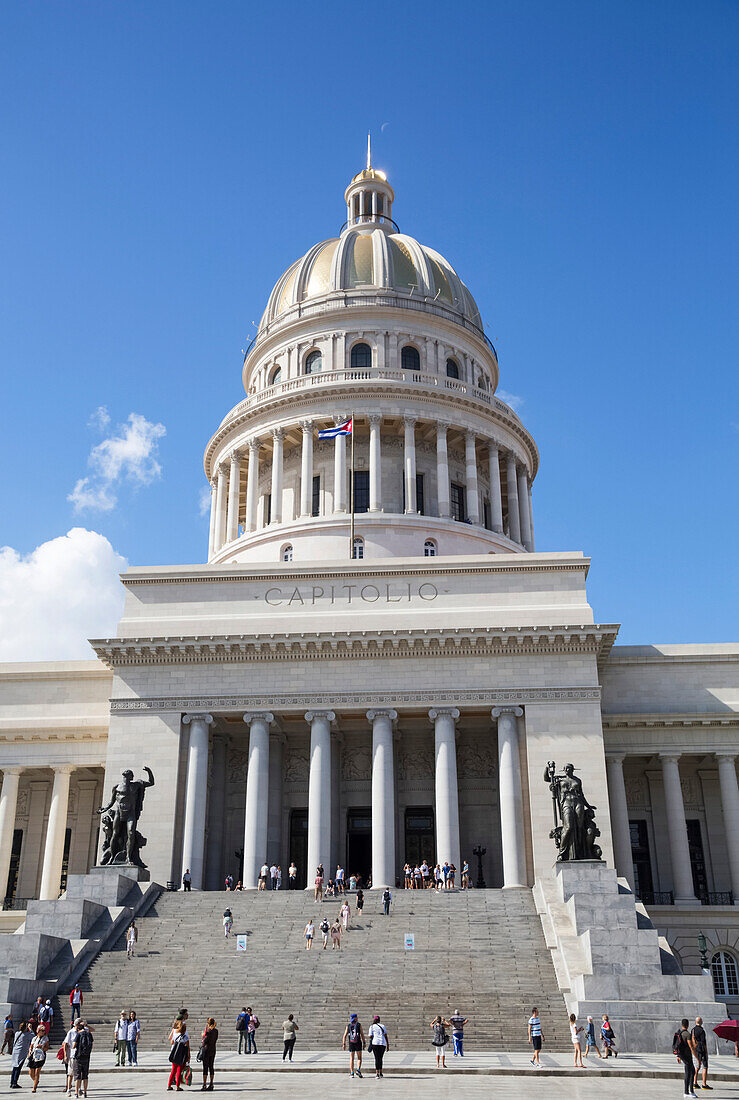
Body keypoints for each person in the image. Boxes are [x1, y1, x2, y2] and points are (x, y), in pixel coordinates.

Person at [675, 1017, 697, 1099]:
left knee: (692, 1071)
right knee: (689, 1073)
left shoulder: (680, 1033)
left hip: (682, 1055)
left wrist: (678, 1056)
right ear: (687, 1025)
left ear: (682, 1025)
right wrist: (697, 1057)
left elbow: (678, 1045)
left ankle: (691, 1090)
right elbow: (691, 1046)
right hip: (687, 1056)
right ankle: (686, 1092)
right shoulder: (687, 1034)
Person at [71, 1020, 93, 1099]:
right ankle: (85, 1092)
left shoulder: (78, 1034)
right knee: (85, 1076)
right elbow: (92, 1046)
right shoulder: (89, 1034)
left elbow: (74, 1046)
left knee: (77, 1076)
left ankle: (76, 1093)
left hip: (78, 1057)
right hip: (86, 1057)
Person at [167, 1018, 190, 1092]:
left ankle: (169, 1085)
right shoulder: (185, 1037)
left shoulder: (175, 1035)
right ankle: (177, 1086)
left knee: (173, 1071)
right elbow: (187, 1047)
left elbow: (172, 1042)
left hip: (175, 1055)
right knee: (179, 1071)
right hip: (181, 1056)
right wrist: (188, 1056)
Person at [10, 1022, 32, 1089]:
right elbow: (33, 1036)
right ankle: (15, 1083)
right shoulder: (27, 1035)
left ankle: (12, 1082)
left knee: (14, 1067)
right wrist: (30, 1029)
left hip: (15, 1051)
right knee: (18, 1068)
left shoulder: (17, 1033)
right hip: (21, 1053)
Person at [342, 1013, 365, 1078]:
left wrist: (344, 1044)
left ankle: (352, 1073)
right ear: (355, 1018)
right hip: (358, 1043)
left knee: (351, 1058)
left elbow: (344, 1036)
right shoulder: (359, 1025)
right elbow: (362, 1034)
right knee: (359, 1058)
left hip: (351, 1043)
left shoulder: (348, 1025)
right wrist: (364, 1042)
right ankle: (358, 1070)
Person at [692, 1016, 710, 1092]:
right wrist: (706, 1051)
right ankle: (704, 1084)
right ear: (701, 1022)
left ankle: (694, 1082)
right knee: (705, 1066)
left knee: (697, 1066)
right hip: (701, 1049)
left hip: (696, 1049)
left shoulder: (693, 1030)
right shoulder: (702, 1030)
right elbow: (703, 1042)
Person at [27, 1025, 48, 1093]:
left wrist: (41, 1047)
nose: (44, 1032)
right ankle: (36, 1081)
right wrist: (30, 1051)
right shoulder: (34, 1038)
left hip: (41, 1056)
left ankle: (34, 1087)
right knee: (30, 1072)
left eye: (44, 1030)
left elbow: (47, 1048)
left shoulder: (45, 1038)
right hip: (33, 1055)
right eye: (42, 1030)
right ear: (38, 1031)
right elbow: (31, 1046)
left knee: (37, 1071)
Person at [199, 1017, 218, 1092]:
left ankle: (204, 1084)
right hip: (213, 1050)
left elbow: (205, 1040)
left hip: (206, 1050)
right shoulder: (216, 1031)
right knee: (211, 1067)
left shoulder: (208, 1031)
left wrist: (203, 1035)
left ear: (208, 1023)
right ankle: (211, 1083)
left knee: (205, 1067)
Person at [63, 1018, 77, 1095]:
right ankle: (68, 1087)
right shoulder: (71, 1032)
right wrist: (65, 1055)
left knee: (76, 1073)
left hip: (77, 1056)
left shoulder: (81, 1032)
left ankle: (76, 1089)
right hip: (70, 1055)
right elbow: (64, 1043)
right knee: (69, 1073)